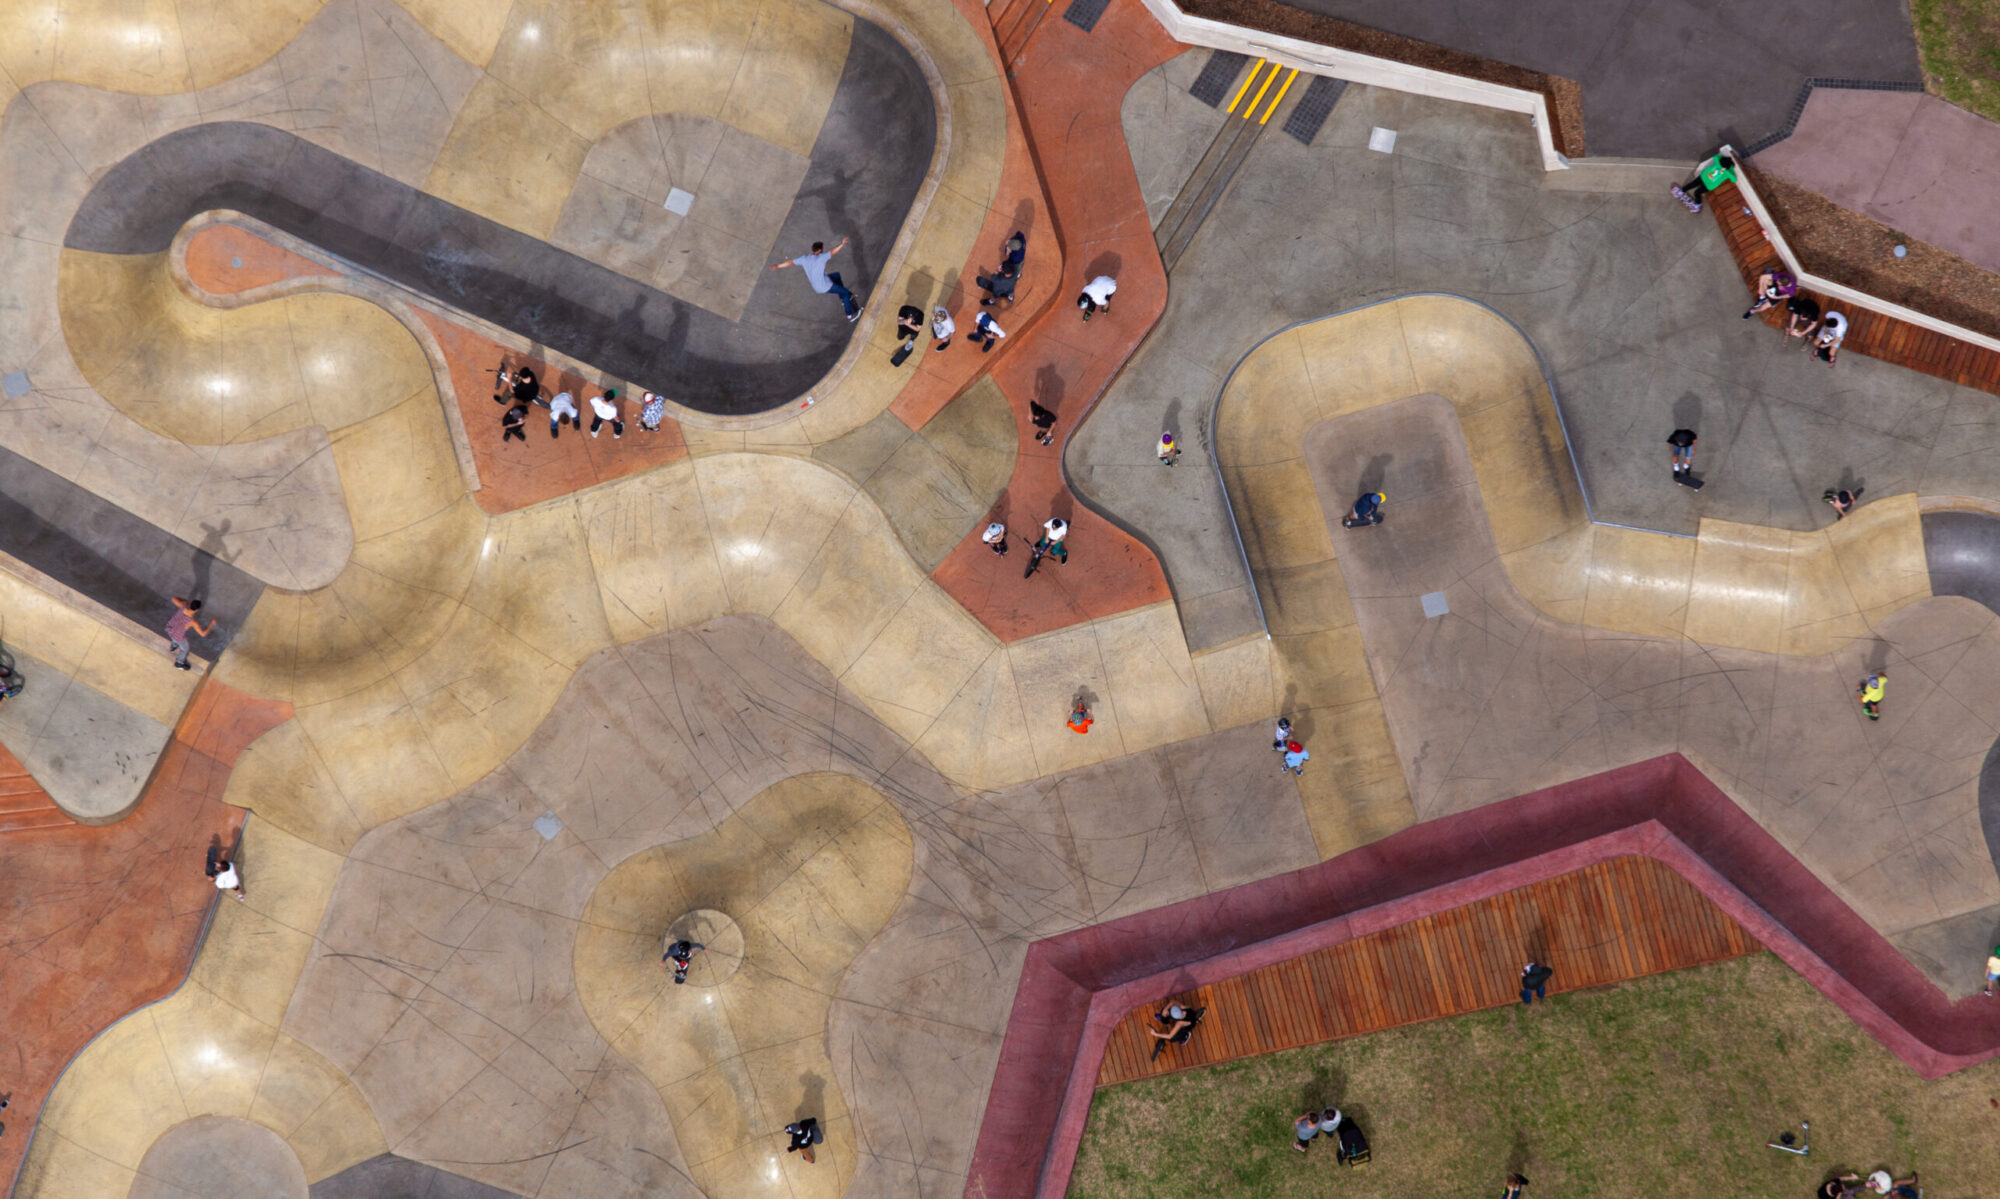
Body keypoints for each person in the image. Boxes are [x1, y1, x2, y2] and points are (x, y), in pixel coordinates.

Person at [771, 238, 861, 321]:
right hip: (824, 286)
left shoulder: (804, 258)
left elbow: (790, 262)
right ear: (819, 251)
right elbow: (833, 252)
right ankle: (850, 315)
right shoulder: (821, 257)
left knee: (836, 276)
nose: (822, 251)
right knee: (845, 292)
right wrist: (842, 244)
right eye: (822, 250)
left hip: (817, 286)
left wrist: (778, 266)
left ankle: (842, 299)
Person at [1670, 153, 1735, 213]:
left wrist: (1727, 171)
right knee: (1692, 184)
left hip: (1709, 185)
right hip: (1703, 177)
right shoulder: (1720, 161)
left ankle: (1698, 205)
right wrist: (1722, 163)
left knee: (1697, 192)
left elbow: (1734, 180)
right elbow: (1716, 157)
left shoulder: (1729, 171)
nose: (1719, 166)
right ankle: (1681, 191)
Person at [165, 596, 216, 671]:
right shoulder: (192, 622)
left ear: (191, 603)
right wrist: (212, 624)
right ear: (197, 610)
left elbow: (173, 598)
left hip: (170, 629)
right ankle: (179, 663)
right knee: (185, 649)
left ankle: (173, 646)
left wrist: (186, 600)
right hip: (178, 637)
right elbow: (203, 634)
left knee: (174, 637)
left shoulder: (183, 607)